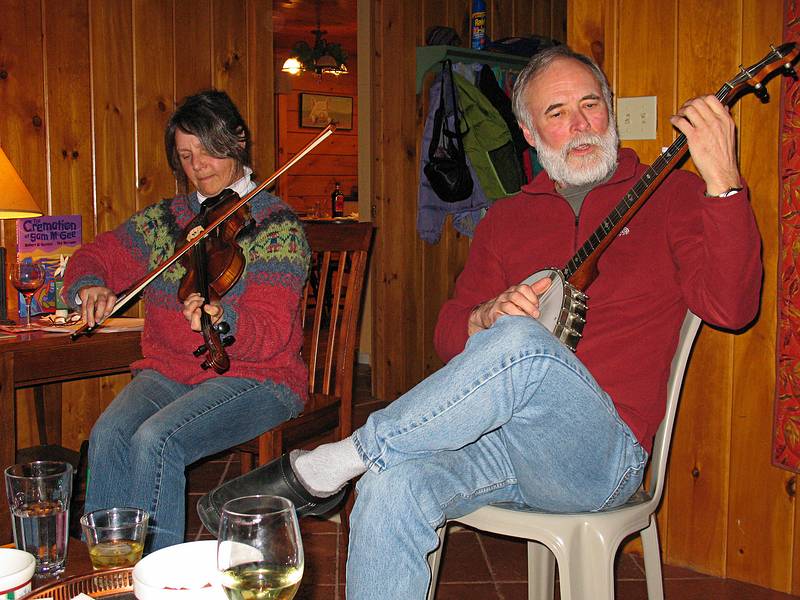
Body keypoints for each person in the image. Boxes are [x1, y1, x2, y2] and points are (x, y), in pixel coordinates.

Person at [198, 46, 762, 597]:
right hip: (497, 448)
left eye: (591, 105)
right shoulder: (506, 219)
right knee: (389, 486)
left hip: (598, 455)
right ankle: (356, 465)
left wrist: (724, 180)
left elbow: (732, 310)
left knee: (522, 339)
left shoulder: (675, 195)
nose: (581, 124)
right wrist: (482, 315)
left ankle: (333, 462)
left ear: (610, 112)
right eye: (557, 113)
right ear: (529, 133)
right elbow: (448, 334)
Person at [62, 89, 333, 552]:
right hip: (172, 371)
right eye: (187, 156)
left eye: (208, 150)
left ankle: (162, 577)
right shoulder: (170, 219)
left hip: (258, 376)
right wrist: (90, 282)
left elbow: (272, 332)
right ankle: (108, 569)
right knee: (108, 434)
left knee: (156, 440)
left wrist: (224, 319)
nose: (199, 166)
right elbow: (99, 253)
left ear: (238, 141)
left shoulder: (274, 225)